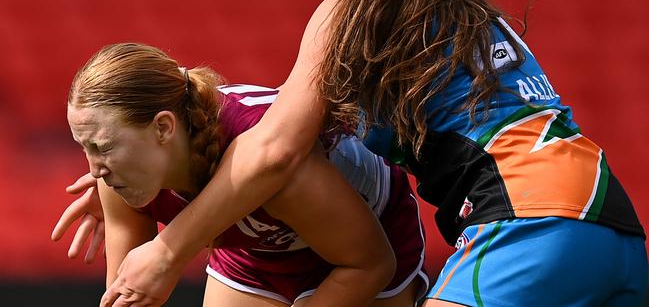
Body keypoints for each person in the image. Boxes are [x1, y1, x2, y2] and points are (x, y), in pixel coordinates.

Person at [53, 0, 648, 307]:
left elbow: (274, 149)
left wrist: (167, 250)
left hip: (528, 223)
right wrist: (126, 167)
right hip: (610, 226)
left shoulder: (355, 0)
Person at [65, 42, 428, 306]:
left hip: (367, 245)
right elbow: (126, 295)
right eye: (86, 148)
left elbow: (371, 264)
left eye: (104, 147)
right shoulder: (117, 178)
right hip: (256, 256)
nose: (95, 170)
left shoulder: (277, 166)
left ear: (163, 128)